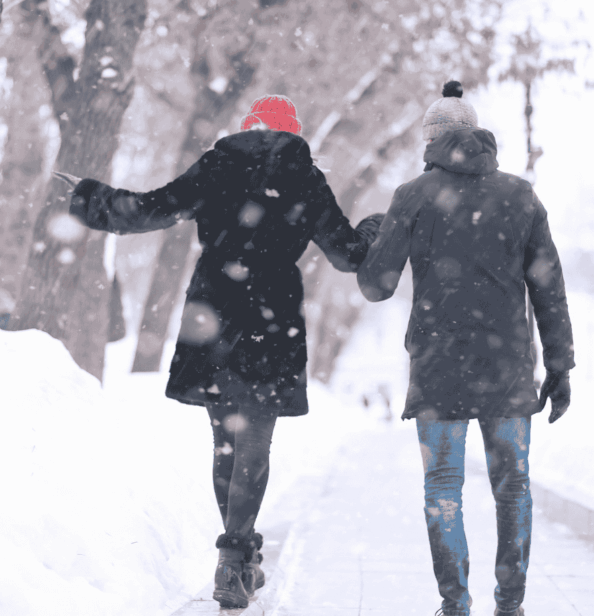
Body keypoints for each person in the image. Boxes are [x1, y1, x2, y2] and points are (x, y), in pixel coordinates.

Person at [60, 94, 383, 609]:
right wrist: (373, 228)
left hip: (214, 309)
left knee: (224, 442)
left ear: (248, 126)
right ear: (294, 132)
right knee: (254, 438)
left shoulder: (218, 163)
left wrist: (91, 198)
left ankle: (238, 561)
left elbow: (149, 210)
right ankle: (236, 560)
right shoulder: (305, 175)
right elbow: (347, 255)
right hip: (272, 314)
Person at [356, 81, 574, 616]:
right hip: (508, 366)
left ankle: (454, 604)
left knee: (443, 487)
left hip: (437, 367)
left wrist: (373, 236)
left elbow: (376, 285)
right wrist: (560, 365)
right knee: (513, 487)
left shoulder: (413, 197)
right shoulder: (520, 196)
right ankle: (511, 605)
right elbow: (549, 286)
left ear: (430, 142)